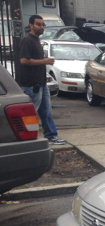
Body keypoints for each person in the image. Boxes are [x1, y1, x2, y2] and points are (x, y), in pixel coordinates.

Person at [18, 14, 66, 145]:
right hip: (31, 85)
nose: (41, 27)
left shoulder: (36, 40)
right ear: (31, 25)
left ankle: (51, 136)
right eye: (38, 24)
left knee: (46, 112)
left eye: (43, 24)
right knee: (30, 114)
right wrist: (44, 61)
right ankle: (25, 138)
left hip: (41, 84)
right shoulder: (27, 40)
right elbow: (23, 60)